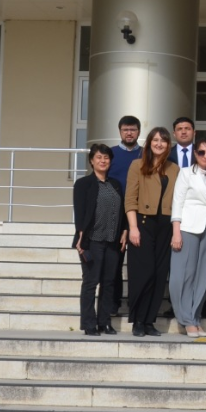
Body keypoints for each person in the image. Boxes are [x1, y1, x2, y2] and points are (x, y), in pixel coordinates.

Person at [123, 127, 179, 337]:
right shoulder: (137, 165)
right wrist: (133, 228)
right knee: (143, 273)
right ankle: (138, 320)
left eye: (163, 140)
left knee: (159, 274)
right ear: (148, 143)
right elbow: (130, 199)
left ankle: (149, 321)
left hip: (165, 225)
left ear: (168, 145)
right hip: (143, 224)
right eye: (155, 140)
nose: (159, 144)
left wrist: (176, 230)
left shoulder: (174, 169)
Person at [169, 138, 206, 338]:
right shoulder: (185, 173)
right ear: (195, 154)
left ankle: (195, 317)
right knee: (184, 275)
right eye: (201, 152)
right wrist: (176, 231)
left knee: (203, 276)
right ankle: (185, 318)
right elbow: (177, 202)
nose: (205, 156)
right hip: (188, 227)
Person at [72, 144, 127, 336]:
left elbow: (122, 211)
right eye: (99, 157)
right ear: (91, 161)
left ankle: (104, 322)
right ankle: (89, 324)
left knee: (109, 282)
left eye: (106, 158)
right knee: (91, 282)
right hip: (91, 240)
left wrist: (125, 230)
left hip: (112, 241)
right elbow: (80, 212)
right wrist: (80, 235)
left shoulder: (116, 184)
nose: (103, 161)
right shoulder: (83, 184)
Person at [165, 116, 206, 319]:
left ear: (194, 132)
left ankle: (201, 307)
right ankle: (177, 307)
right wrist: (176, 229)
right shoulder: (166, 155)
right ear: (174, 133)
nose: (184, 131)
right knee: (180, 269)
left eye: (187, 128)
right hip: (177, 220)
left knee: (202, 270)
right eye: (180, 129)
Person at [107, 115, 142, 316]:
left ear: (139, 132)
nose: (129, 133)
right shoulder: (110, 154)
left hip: (140, 214)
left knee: (138, 264)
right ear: (120, 131)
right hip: (115, 215)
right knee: (115, 262)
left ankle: (135, 304)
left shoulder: (145, 154)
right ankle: (113, 303)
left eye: (133, 129)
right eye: (125, 130)